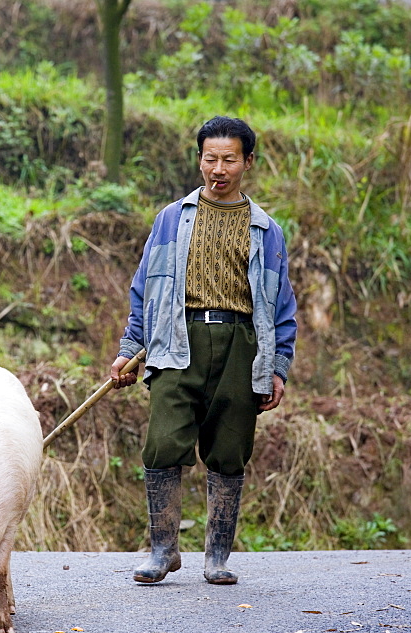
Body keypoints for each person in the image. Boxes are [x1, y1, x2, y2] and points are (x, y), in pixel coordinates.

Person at [109, 116, 297, 585]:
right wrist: (131, 347)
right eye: (209, 158)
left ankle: (217, 557)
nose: (218, 168)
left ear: (247, 162)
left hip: (241, 345)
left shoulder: (266, 230)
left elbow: (281, 304)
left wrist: (277, 366)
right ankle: (163, 549)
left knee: (230, 449)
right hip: (175, 339)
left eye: (228, 159)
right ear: (199, 160)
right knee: (163, 443)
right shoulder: (171, 219)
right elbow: (144, 290)